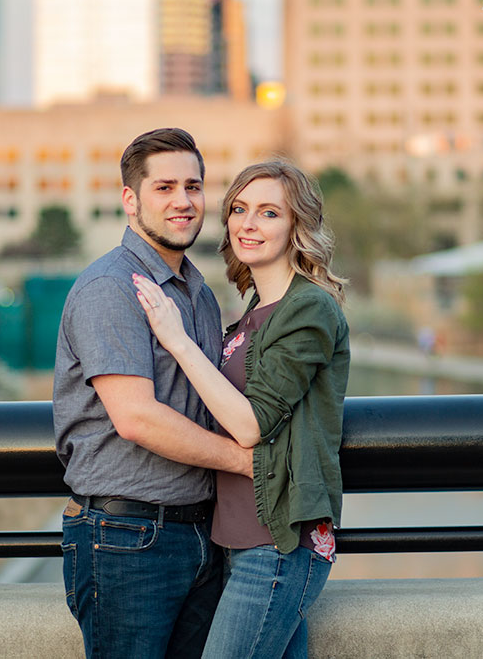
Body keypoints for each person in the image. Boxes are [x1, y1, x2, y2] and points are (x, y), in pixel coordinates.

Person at [133, 159, 351, 659]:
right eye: (239, 209)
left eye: (269, 212)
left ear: (298, 225)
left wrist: (177, 341)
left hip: (280, 544)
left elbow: (251, 425)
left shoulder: (310, 308)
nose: (248, 224)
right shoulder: (253, 312)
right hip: (236, 541)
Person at [52, 128, 252, 659]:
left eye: (193, 185)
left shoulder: (199, 294)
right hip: (126, 539)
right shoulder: (112, 289)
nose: (183, 202)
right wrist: (248, 462)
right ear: (130, 199)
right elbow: (136, 417)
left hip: (201, 535)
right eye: (164, 187)